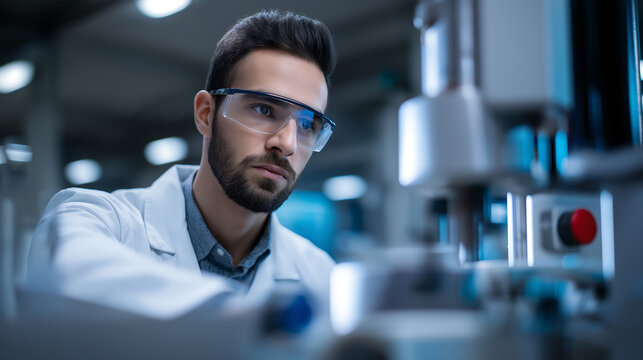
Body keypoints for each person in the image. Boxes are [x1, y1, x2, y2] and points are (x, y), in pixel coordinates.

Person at [23, 10, 337, 319]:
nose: (287, 143)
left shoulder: (319, 273)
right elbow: (62, 273)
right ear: (206, 114)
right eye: (264, 109)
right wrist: (253, 318)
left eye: (308, 124)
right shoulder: (100, 219)